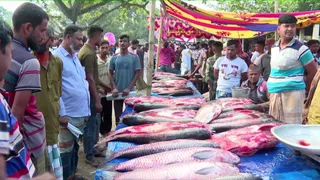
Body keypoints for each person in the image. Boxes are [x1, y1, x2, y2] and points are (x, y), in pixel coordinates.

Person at [0, 18, 56, 180]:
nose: (11, 60)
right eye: (9, 53)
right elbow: (18, 111)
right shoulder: (30, 61)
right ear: (28, 28)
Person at [53, 24, 90, 180]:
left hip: (79, 112)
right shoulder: (56, 58)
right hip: (68, 115)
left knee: (73, 148)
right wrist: (62, 113)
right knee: (65, 152)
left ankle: (73, 175)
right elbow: (55, 88)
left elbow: (81, 81)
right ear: (68, 38)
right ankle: (67, 176)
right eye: (79, 39)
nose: (82, 42)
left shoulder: (74, 57)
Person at [267, 14, 317, 124]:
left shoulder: (302, 48)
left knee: (291, 128)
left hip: (292, 95)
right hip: (274, 94)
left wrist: (305, 89)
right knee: (275, 127)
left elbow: (313, 72)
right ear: (279, 29)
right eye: (287, 26)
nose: (290, 29)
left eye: (293, 26)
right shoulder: (274, 47)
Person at [78, 25, 111, 167]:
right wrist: (97, 99)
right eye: (101, 36)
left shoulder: (88, 50)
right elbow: (89, 78)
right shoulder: (89, 54)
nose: (102, 40)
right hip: (90, 95)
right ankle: (89, 155)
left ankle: (94, 149)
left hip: (92, 92)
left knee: (94, 124)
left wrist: (102, 87)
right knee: (90, 126)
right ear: (96, 36)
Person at [34, 25, 64, 179]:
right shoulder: (28, 63)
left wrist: (62, 113)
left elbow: (57, 92)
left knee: (54, 171)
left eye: (43, 36)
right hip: (34, 132)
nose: (39, 39)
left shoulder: (57, 62)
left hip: (52, 126)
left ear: (51, 40)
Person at [109, 34, 141, 124]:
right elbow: (110, 73)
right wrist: (114, 87)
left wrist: (129, 87)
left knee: (131, 117)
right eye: (120, 41)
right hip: (117, 93)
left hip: (130, 92)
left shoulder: (134, 57)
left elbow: (138, 73)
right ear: (118, 43)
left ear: (128, 43)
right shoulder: (114, 58)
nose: (122, 43)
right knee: (118, 118)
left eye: (125, 41)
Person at [98, 40, 112, 137]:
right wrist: (105, 87)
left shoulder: (111, 60)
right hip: (99, 93)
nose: (104, 50)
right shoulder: (95, 61)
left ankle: (107, 135)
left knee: (108, 115)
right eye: (102, 47)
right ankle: (100, 133)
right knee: (99, 115)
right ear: (98, 48)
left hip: (109, 94)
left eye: (106, 48)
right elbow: (94, 78)